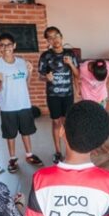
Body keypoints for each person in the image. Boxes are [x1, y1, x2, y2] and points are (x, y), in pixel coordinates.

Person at [0, 33, 42, 173]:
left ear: (14, 46)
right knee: (10, 135)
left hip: (24, 104)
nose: (5, 47)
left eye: (8, 44)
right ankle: (12, 159)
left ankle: (29, 155)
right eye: (2, 45)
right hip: (7, 106)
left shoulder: (22, 62)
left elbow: (27, 84)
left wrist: (30, 72)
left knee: (26, 132)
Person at [38, 26, 80, 164]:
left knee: (67, 123)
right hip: (53, 96)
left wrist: (70, 64)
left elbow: (77, 74)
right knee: (56, 123)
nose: (54, 39)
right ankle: (57, 151)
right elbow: (40, 76)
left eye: (56, 36)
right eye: (50, 37)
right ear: (47, 41)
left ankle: (69, 149)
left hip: (68, 94)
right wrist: (46, 78)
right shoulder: (45, 56)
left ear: (61, 36)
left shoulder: (70, 54)